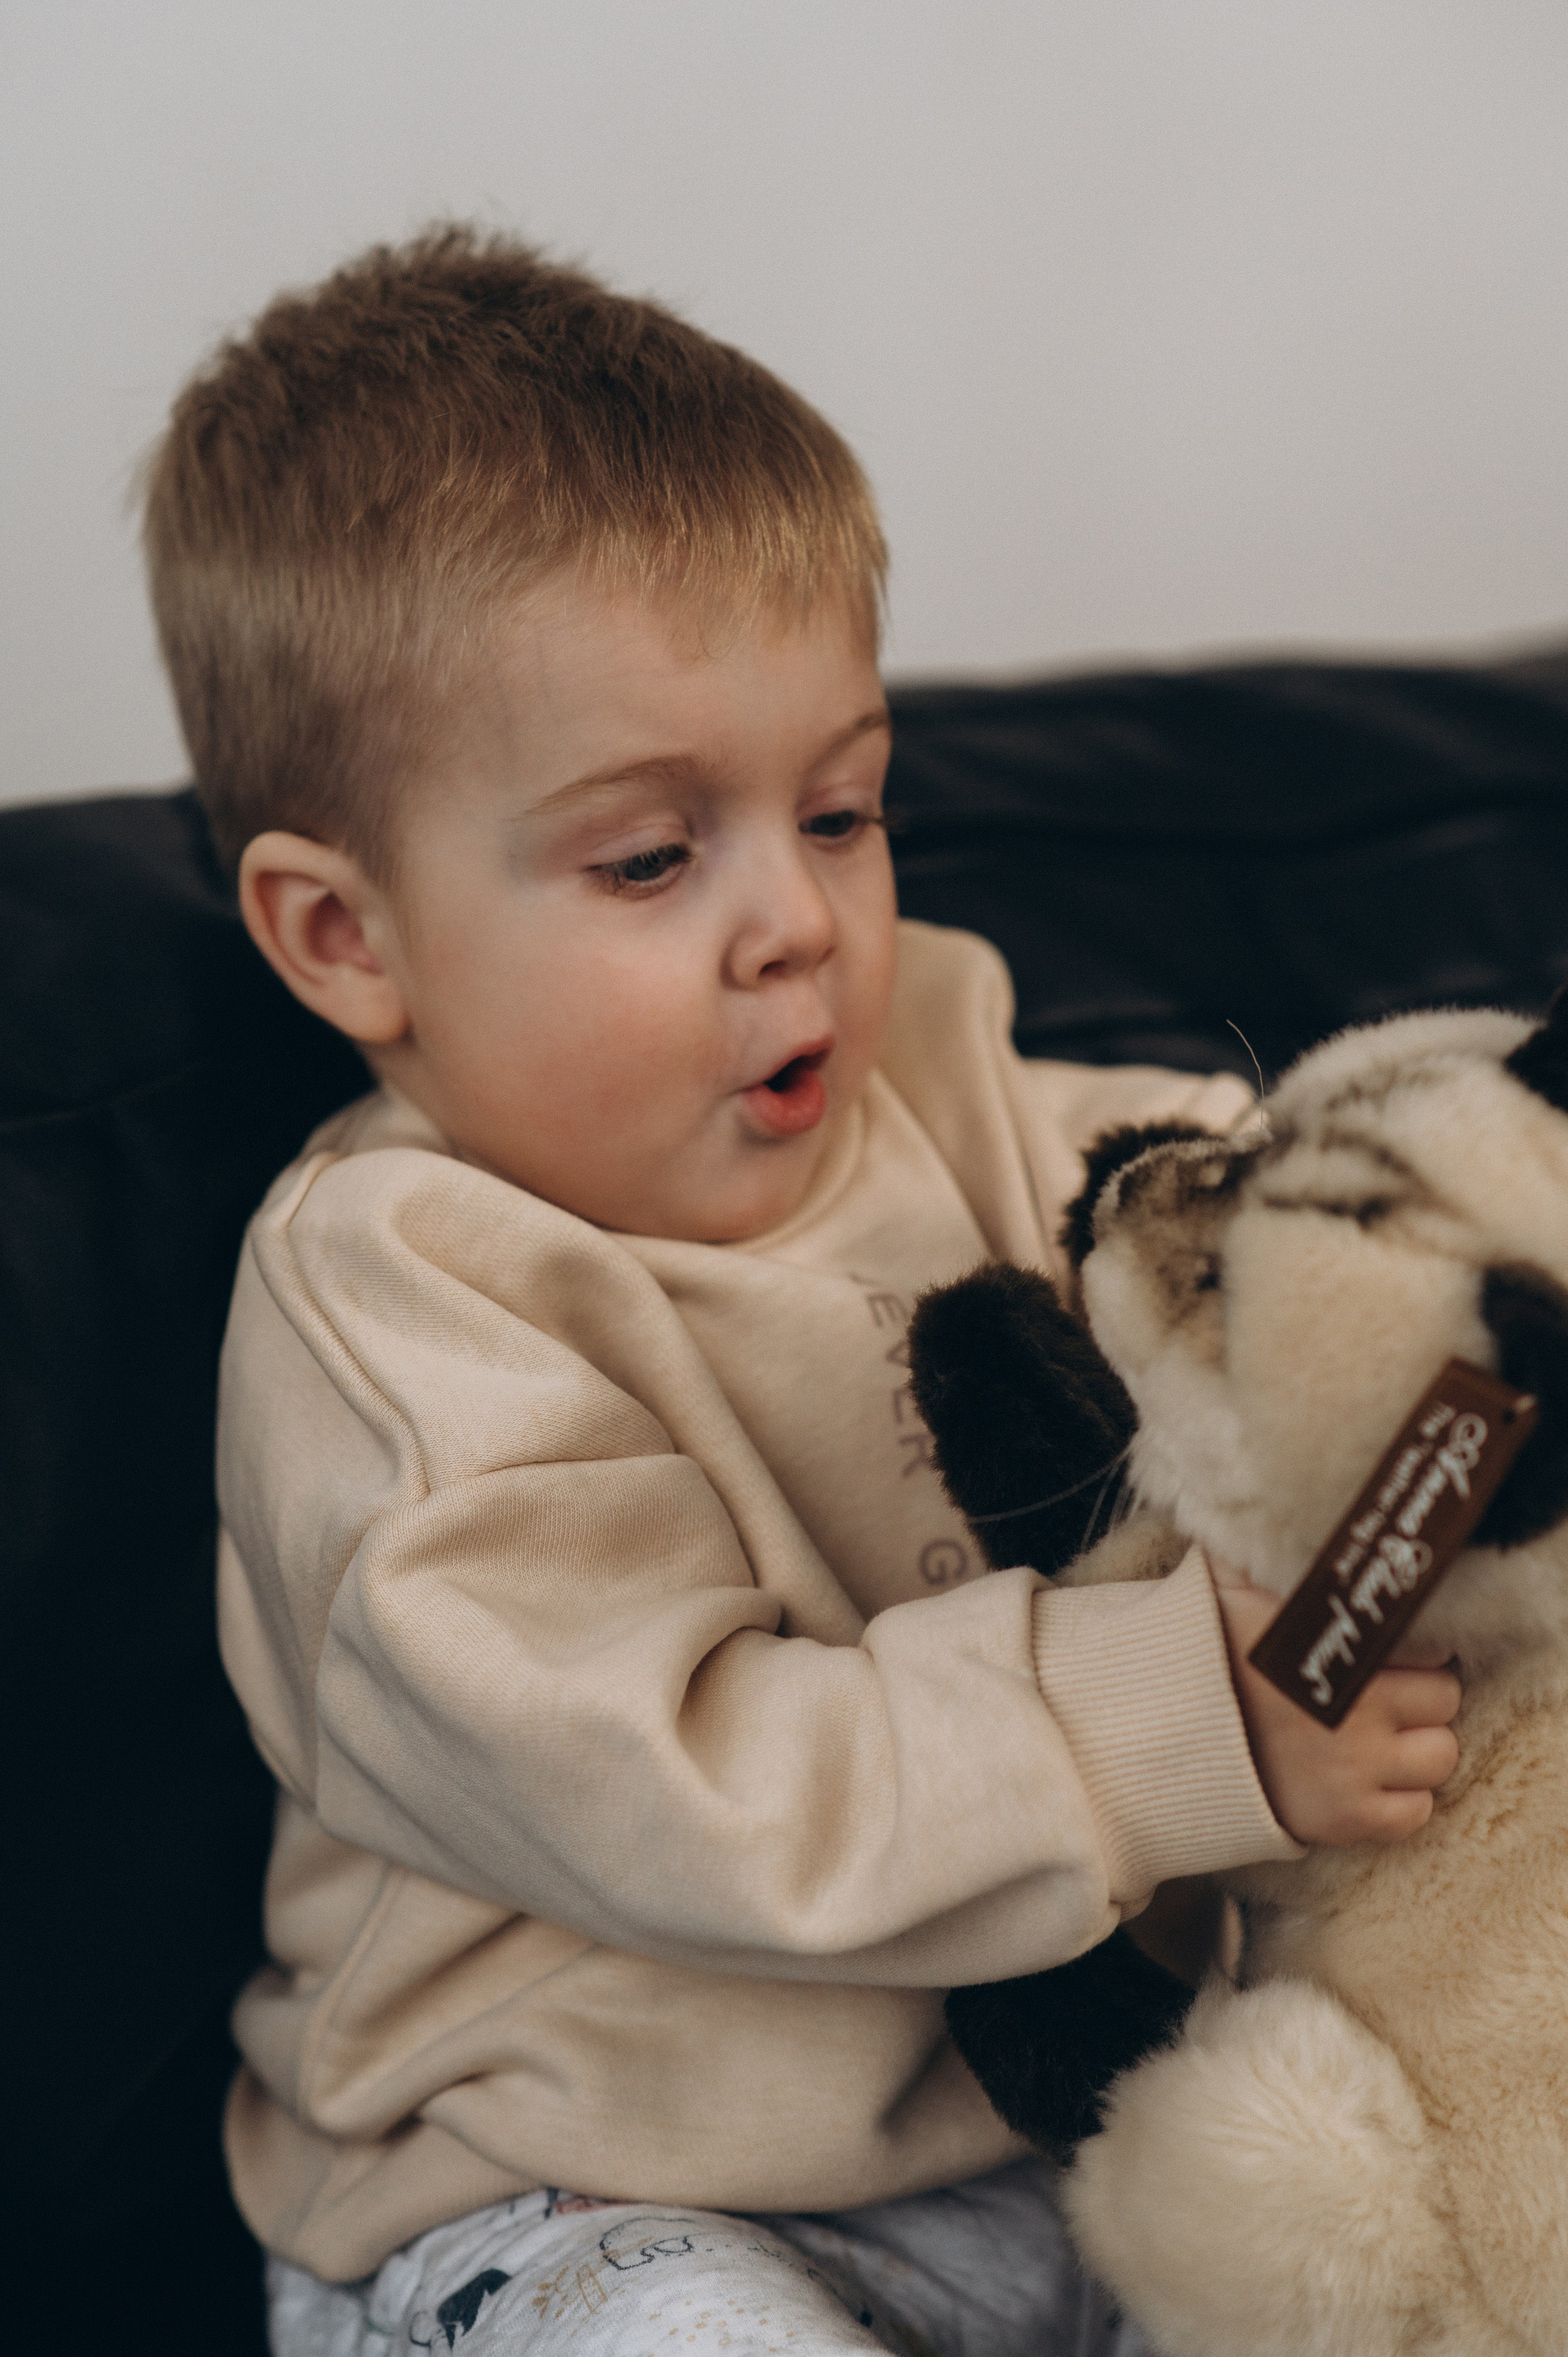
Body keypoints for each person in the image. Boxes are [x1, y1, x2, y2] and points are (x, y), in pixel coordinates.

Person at [143, 227, 1462, 2357]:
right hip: (590, 2211)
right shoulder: (402, 1311)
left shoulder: (935, 1065)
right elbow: (683, 1780)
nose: (799, 925)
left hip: (1063, 2167)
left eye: (840, 808)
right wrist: (1178, 1727)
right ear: (345, 939)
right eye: (653, 859)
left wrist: (1473, 1173)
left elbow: (1246, 1199)